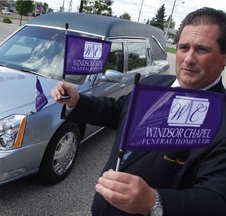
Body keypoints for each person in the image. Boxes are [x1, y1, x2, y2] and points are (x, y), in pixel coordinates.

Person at [51, 7, 226, 216]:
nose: (188, 58)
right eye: (183, 47)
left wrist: (154, 202)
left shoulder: (221, 120)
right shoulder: (154, 83)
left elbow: (216, 201)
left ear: (224, 58)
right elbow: (118, 112)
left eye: (202, 49)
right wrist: (77, 101)